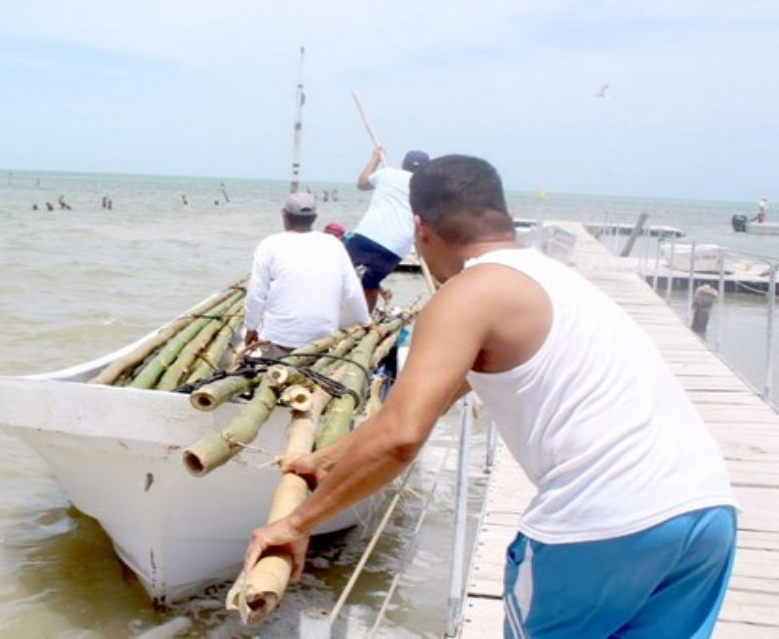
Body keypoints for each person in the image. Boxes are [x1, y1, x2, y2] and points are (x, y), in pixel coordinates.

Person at [244, 155, 738, 638]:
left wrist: (296, 523)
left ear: (420, 229)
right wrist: (326, 458)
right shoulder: (556, 280)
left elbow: (400, 437)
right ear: (501, 212)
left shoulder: (467, 293)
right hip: (705, 512)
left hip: (600, 525)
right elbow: (420, 407)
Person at [243, 192, 370, 359]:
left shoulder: (270, 244)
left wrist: (251, 328)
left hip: (280, 339)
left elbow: (256, 293)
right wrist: (365, 322)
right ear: (315, 217)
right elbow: (352, 291)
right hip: (321, 341)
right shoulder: (333, 244)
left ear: (284, 214)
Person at [345, 148, 429, 311]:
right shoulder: (427, 190)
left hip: (366, 235)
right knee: (371, 283)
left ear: (403, 164)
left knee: (342, 275)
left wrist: (375, 158)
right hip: (396, 245)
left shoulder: (387, 173)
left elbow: (362, 183)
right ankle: (364, 322)